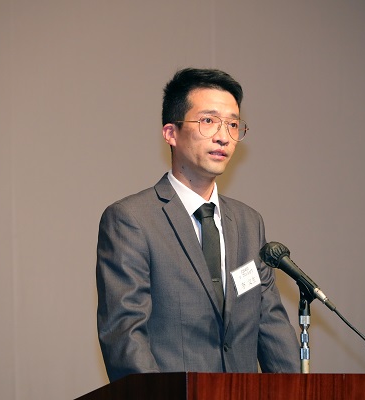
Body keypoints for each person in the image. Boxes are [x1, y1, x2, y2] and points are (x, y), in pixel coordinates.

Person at [96, 68, 300, 382]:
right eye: (208, 121)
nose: (223, 136)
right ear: (171, 133)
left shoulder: (248, 223)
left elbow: (272, 328)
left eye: (233, 124)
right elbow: (125, 336)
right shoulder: (131, 220)